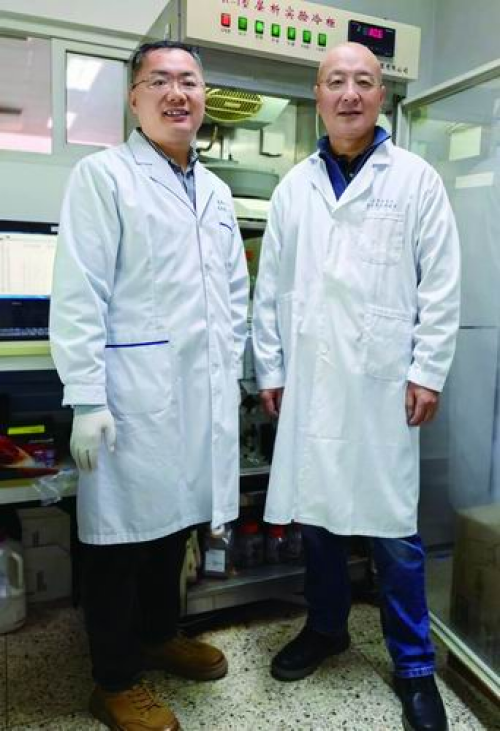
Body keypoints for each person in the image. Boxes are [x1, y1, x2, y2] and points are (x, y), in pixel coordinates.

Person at [252, 42, 460, 731]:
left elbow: (442, 283)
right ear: (317, 95)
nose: (349, 93)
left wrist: (427, 370)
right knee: (317, 518)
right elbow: (270, 287)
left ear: (381, 96)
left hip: (382, 385)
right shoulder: (294, 187)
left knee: (393, 530)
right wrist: (271, 368)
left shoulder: (416, 180)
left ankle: (415, 667)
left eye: (363, 81)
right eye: (336, 81)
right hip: (312, 382)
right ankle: (327, 627)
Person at [50, 40, 248, 731]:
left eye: (189, 81)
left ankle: (160, 635)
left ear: (204, 97)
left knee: (174, 526)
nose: (176, 93)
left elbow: (233, 294)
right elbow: (80, 294)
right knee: (118, 539)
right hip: (127, 395)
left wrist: (231, 370)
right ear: (134, 98)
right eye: (159, 81)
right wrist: (86, 398)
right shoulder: (104, 177)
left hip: (197, 394)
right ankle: (113, 679)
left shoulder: (216, 192)